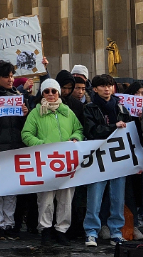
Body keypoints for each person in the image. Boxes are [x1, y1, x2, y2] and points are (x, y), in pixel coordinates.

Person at [21, 78, 83, 246]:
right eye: (46, 91)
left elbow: (78, 129)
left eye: (53, 91)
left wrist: (75, 138)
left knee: (66, 197)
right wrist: (42, 145)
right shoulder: (35, 113)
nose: (50, 94)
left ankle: (61, 229)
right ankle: (46, 229)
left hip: (66, 163)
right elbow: (26, 134)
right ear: (42, 93)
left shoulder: (68, 112)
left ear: (58, 93)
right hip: (45, 162)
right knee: (45, 198)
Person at [83, 74, 134, 247]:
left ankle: (116, 231)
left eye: (109, 85)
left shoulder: (121, 108)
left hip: (119, 159)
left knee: (118, 197)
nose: (107, 89)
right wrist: (113, 127)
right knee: (94, 197)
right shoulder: (89, 108)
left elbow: (131, 134)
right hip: (98, 159)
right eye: (103, 86)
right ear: (95, 89)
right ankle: (91, 232)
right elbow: (92, 131)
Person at [0, 60, 29, 240]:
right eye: (6, 76)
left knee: (11, 188)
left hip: (15, 147)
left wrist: (25, 113)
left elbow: (24, 126)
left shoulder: (18, 95)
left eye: (12, 76)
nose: (10, 80)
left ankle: (9, 223)